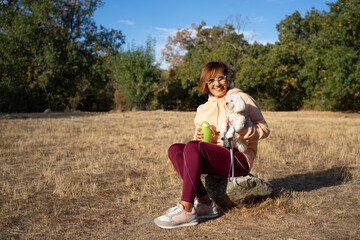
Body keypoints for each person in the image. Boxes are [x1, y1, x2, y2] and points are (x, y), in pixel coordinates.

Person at [154, 61, 270, 229]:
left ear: (227, 78)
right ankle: (205, 203)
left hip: (238, 159)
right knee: (175, 149)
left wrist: (243, 130)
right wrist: (199, 137)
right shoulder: (203, 108)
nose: (216, 84)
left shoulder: (241, 98)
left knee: (193, 147)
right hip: (216, 158)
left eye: (220, 78)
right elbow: (198, 143)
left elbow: (264, 129)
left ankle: (186, 208)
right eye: (211, 80)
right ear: (206, 84)